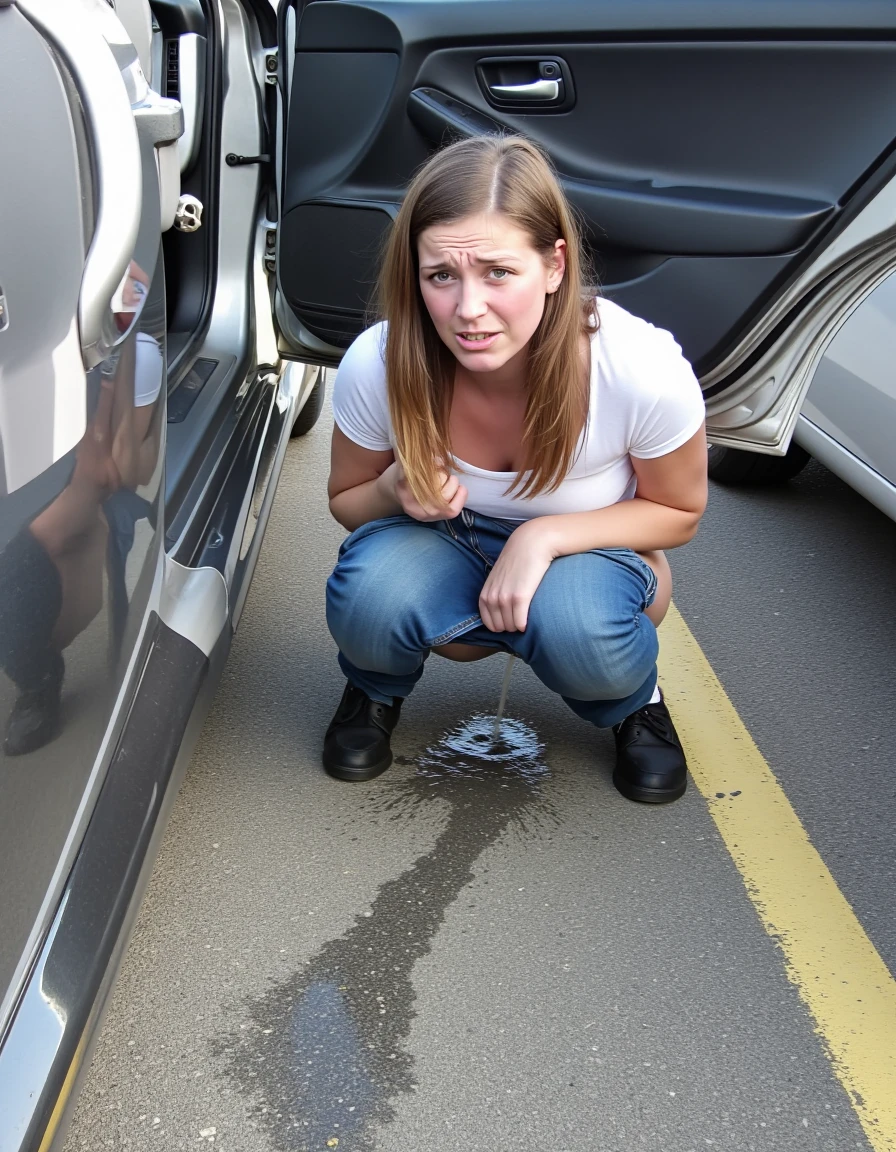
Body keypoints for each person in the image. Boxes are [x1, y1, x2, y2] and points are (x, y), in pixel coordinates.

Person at [323, 136, 707, 803]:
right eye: (442, 275)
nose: (469, 308)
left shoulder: (639, 368)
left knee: (582, 628)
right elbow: (346, 501)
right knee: (368, 593)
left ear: (554, 264)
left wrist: (542, 537)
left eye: (498, 272)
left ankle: (633, 702)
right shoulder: (378, 362)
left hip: (588, 557)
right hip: (444, 544)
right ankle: (374, 689)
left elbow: (679, 512)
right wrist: (391, 490)